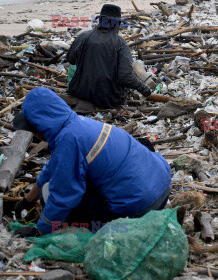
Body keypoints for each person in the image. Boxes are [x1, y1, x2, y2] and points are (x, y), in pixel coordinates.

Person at [13, 87, 171, 236]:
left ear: (40, 126)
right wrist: (28, 199)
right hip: (161, 183)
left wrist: (40, 230)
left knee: (49, 195)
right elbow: (54, 165)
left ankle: (96, 228)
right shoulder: (78, 123)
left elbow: (64, 194)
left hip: (140, 207)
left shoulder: (69, 141)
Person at [66, 4, 151, 109]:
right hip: (108, 99)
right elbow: (125, 76)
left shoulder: (83, 36)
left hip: (79, 92)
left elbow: (71, 60)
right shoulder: (120, 43)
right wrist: (144, 89)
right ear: (116, 24)